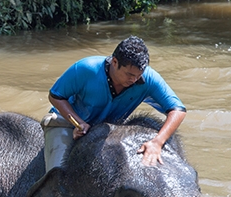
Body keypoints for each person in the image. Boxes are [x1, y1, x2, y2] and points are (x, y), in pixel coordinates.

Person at [41, 35, 186, 171]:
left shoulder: (148, 78)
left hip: (108, 129)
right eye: (129, 74)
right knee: (58, 173)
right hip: (68, 123)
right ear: (115, 62)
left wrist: (158, 142)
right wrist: (78, 122)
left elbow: (178, 110)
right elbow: (56, 96)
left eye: (138, 75)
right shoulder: (86, 69)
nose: (134, 80)